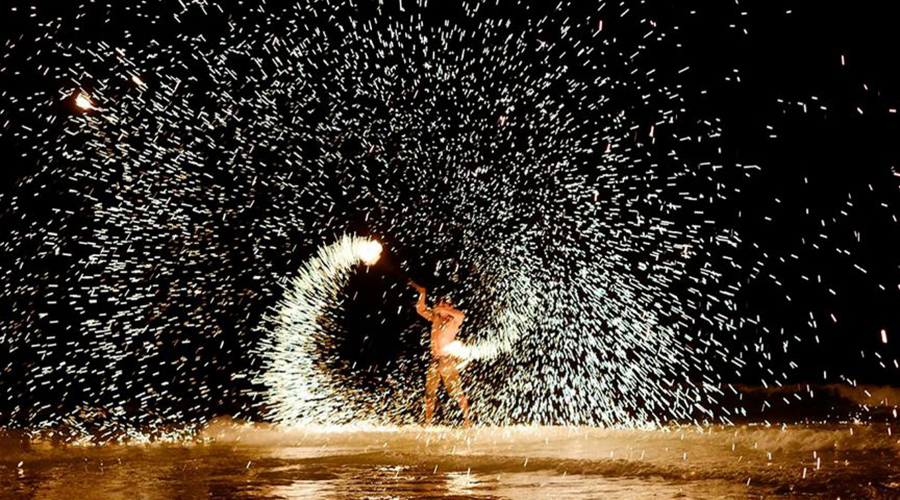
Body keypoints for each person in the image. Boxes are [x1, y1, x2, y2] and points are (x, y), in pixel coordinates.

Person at [411, 282, 471, 427]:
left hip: (447, 360)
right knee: (429, 393)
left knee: (457, 392)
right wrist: (423, 294)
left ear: (450, 306)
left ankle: (468, 420)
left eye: (445, 305)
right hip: (434, 360)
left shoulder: (453, 320)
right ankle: (428, 421)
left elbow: (461, 315)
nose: (441, 307)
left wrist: (444, 309)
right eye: (440, 304)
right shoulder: (435, 318)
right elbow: (420, 309)